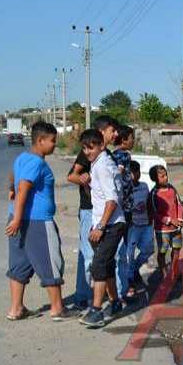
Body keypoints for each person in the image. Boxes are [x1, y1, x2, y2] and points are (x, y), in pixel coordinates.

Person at [5, 121, 68, 321]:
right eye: (52, 141)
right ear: (40, 140)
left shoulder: (22, 158)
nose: (55, 144)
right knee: (50, 262)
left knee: (19, 264)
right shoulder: (37, 163)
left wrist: (11, 192)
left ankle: (16, 309)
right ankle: (57, 309)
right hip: (37, 221)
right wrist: (17, 218)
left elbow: (14, 177)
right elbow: (23, 186)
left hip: (18, 219)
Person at [67, 114, 118, 309]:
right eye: (112, 130)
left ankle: (105, 297)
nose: (115, 134)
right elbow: (72, 176)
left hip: (103, 212)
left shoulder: (105, 155)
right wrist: (85, 180)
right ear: (102, 131)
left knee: (103, 258)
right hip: (90, 210)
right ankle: (84, 297)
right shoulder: (89, 152)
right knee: (90, 256)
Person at [79, 129, 128, 329]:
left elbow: (112, 201)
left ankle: (96, 310)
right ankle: (115, 302)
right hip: (104, 222)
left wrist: (100, 226)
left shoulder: (103, 166)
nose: (87, 152)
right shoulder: (97, 164)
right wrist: (86, 184)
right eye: (84, 148)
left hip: (112, 224)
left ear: (101, 145)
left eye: (91, 148)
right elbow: (99, 197)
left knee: (99, 265)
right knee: (105, 265)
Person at [120, 161, 154, 299]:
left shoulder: (144, 187)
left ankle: (134, 270)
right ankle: (130, 280)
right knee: (129, 254)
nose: (135, 175)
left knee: (148, 250)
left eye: (137, 172)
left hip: (145, 224)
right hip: (132, 226)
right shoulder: (124, 189)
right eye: (131, 173)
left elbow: (149, 203)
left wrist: (151, 219)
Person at [111, 124, 137, 300]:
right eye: (132, 138)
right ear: (124, 139)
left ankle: (123, 284)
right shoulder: (123, 155)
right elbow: (118, 175)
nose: (134, 140)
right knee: (123, 249)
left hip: (121, 207)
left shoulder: (113, 155)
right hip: (124, 208)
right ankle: (124, 287)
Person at [149, 165, 183, 280]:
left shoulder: (172, 189)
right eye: (162, 176)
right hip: (162, 230)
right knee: (162, 251)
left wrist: (179, 219)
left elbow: (179, 204)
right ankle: (164, 272)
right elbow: (154, 213)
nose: (166, 178)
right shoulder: (154, 194)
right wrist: (169, 220)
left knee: (176, 250)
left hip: (176, 228)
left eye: (166, 175)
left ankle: (175, 271)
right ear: (155, 179)